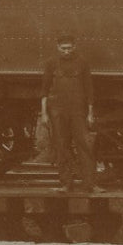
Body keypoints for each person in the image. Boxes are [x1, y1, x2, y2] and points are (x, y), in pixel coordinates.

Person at [40, 33, 99, 192]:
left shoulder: (82, 63)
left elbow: (89, 89)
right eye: (63, 48)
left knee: (84, 146)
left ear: (74, 47)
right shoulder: (51, 63)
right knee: (62, 146)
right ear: (58, 47)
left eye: (69, 48)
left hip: (78, 110)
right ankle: (66, 183)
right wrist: (44, 113)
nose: (66, 51)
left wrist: (90, 112)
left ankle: (90, 184)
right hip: (57, 111)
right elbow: (44, 90)